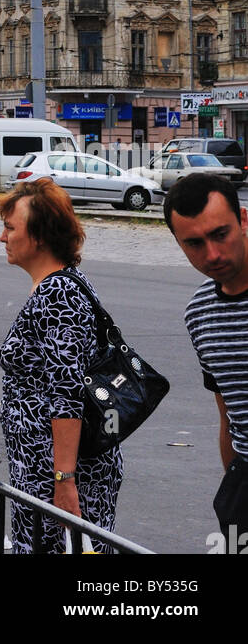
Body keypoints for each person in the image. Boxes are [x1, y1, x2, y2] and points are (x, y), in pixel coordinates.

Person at [0, 177, 123, 553]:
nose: (2, 238)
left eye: (9, 228)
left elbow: (67, 393)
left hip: (62, 477)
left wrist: (64, 480)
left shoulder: (58, 293)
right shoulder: (59, 286)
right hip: (44, 472)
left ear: (38, 237)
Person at [164, 173, 248, 550]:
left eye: (220, 234)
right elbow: (228, 414)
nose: (212, 254)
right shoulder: (199, 313)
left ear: (243, 220)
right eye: (194, 243)